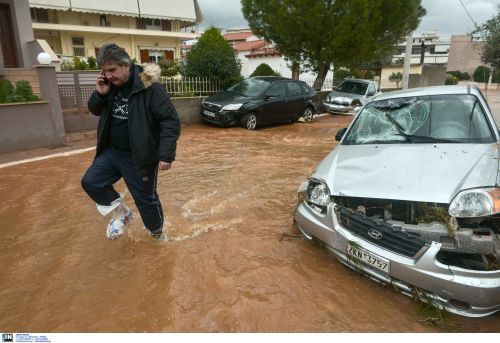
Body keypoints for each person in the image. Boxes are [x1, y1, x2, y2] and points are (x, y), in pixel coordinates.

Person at [81, 43, 180, 240]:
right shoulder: (110, 86)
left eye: (112, 70)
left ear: (126, 66)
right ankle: (122, 213)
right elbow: (94, 109)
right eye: (105, 71)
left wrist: (166, 154)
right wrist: (100, 93)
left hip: (139, 157)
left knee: (146, 200)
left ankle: (157, 234)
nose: (108, 75)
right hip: (112, 152)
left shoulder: (151, 89)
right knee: (91, 182)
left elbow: (170, 122)